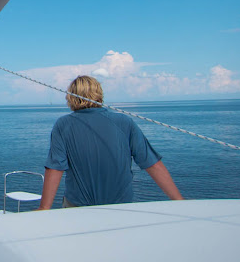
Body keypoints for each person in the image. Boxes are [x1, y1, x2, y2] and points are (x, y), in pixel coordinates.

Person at [38, 75, 182, 209]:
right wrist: (179, 201)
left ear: (71, 96)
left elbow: (55, 167)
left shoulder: (63, 125)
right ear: (99, 94)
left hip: (78, 207)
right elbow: (152, 164)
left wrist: (44, 208)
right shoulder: (124, 122)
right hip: (121, 208)